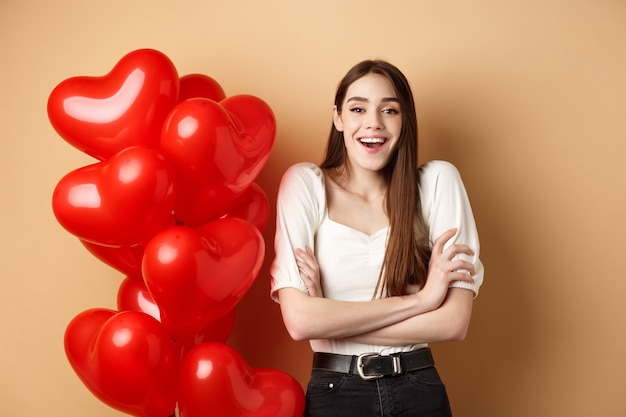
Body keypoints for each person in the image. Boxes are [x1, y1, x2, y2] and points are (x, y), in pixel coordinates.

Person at [270, 59, 484, 417]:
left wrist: (331, 326)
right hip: (336, 394)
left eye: (389, 109)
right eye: (358, 108)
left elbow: (453, 323)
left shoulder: (436, 185)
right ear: (338, 117)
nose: (374, 123)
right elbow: (300, 321)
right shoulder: (306, 185)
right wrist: (424, 299)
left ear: (405, 121)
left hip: (418, 389)